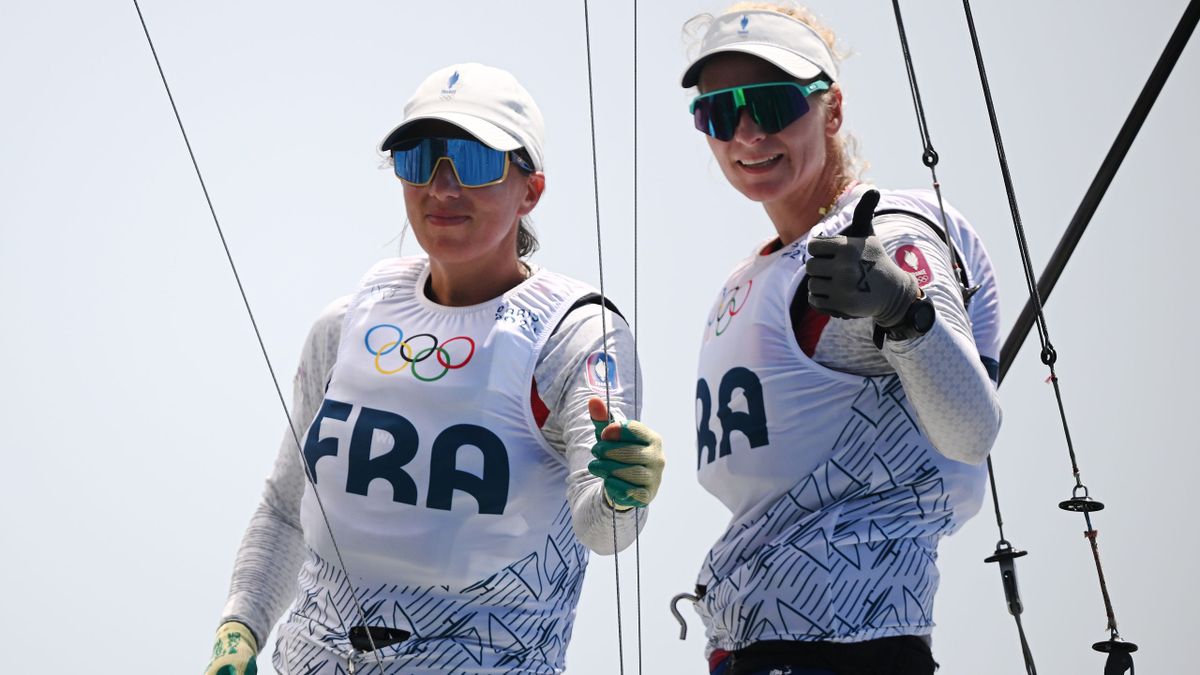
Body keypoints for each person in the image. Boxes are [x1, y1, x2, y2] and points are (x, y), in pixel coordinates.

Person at [202, 62, 665, 675]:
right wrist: (240, 628)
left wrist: (624, 488)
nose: (442, 188)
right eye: (419, 160)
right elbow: (288, 509)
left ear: (531, 190)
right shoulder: (342, 328)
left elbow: (605, 532)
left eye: (474, 163)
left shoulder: (574, 337)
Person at [678, 4, 1002, 674]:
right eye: (717, 112)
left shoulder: (892, 234)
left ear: (832, 109)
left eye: (770, 103)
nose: (745, 132)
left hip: (851, 651)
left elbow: (973, 429)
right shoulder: (753, 275)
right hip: (752, 648)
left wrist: (901, 308)